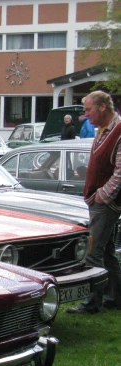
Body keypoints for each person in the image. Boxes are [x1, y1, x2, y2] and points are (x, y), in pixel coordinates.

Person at [67, 90, 121, 314]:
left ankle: (92, 303)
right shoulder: (103, 130)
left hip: (105, 204)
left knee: (93, 252)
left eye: (89, 110)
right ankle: (115, 297)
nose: (86, 114)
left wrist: (102, 196)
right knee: (107, 252)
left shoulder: (118, 131)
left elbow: (120, 173)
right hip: (97, 200)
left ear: (102, 108)